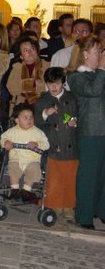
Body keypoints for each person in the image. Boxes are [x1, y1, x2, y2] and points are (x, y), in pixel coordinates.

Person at [67, 37, 105, 229]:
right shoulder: (76, 77)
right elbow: (93, 90)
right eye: (97, 51)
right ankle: (84, 216)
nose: (100, 54)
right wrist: (103, 70)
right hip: (90, 131)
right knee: (89, 175)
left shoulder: (99, 74)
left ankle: (102, 211)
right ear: (85, 54)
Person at [34, 68, 78, 219]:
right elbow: (37, 123)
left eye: (57, 83)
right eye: (50, 84)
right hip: (53, 145)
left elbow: (78, 115)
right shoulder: (43, 100)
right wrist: (45, 113)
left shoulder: (72, 98)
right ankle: (55, 204)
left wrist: (75, 122)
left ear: (63, 83)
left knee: (71, 178)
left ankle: (69, 206)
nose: (54, 87)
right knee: (54, 179)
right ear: (46, 84)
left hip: (71, 145)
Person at [1, 103, 49, 201]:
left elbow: (46, 144)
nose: (29, 120)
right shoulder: (11, 131)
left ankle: (26, 190)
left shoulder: (38, 132)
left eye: (31, 117)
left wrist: (37, 144)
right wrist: (6, 142)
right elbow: (3, 138)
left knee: (34, 169)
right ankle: (14, 189)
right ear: (17, 120)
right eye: (25, 118)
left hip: (32, 160)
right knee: (12, 167)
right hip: (16, 158)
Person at [6, 36, 49, 114]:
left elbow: (49, 86)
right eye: (26, 50)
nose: (30, 52)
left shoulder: (47, 65)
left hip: (43, 106)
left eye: (32, 48)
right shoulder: (17, 67)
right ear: (21, 56)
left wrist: (25, 85)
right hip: (21, 106)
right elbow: (12, 87)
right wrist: (32, 83)